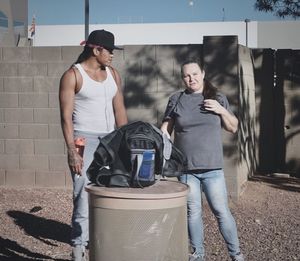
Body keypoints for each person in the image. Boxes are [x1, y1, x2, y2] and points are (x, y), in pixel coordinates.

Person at [161, 60, 244, 261]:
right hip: (186, 170)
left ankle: (236, 255)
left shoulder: (217, 98)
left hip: (212, 169)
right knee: (193, 212)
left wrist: (221, 110)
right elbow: (165, 131)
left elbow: (233, 127)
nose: (192, 79)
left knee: (222, 212)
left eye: (195, 74)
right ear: (182, 78)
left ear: (203, 73)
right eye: (187, 76)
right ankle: (198, 255)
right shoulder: (176, 99)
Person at [59, 29, 128, 261]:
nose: (112, 55)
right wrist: (72, 152)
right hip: (83, 141)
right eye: (109, 50)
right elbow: (65, 117)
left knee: (112, 191)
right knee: (82, 195)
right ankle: (78, 248)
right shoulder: (73, 75)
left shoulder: (114, 75)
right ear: (96, 50)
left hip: (110, 141)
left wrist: (124, 144)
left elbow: (120, 111)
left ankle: (105, 244)